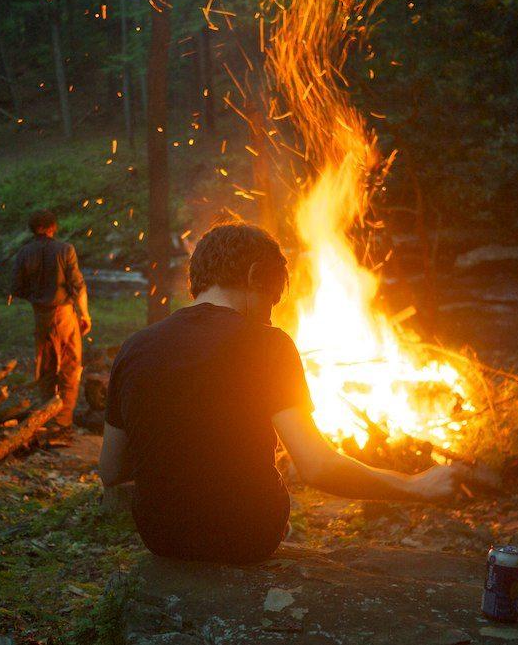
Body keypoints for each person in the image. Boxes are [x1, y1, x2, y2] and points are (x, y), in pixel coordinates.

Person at [99, 221, 465, 564]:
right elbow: (318, 468)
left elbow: (111, 469)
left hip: (161, 537)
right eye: (271, 301)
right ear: (255, 274)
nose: (270, 317)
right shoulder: (268, 344)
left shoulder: (135, 347)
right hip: (246, 537)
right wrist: (416, 486)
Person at [10, 209, 91, 427]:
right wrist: (85, 315)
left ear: (34, 229)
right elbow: (78, 286)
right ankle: (63, 421)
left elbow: (16, 288)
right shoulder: (66, 250)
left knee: (45, 367)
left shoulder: (24, 253)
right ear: (51, 227)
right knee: (70, 366)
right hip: (63, 315)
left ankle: (46, 416)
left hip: (40, 316)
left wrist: (37, 298)